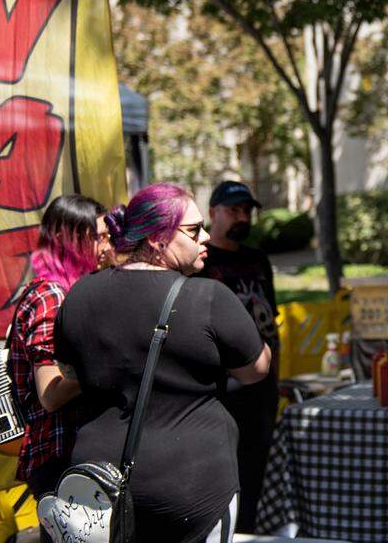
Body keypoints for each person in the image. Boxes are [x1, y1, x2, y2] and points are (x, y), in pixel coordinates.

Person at [54, 183, 272, 543]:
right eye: (192, 230)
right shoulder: (209, 297)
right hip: (192, 485)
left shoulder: (79, 294)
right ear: (157, 239)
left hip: (98, 486)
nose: (204, 238)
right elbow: (256, 369)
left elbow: (70, 373)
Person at [6, 194, 110, 543]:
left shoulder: (72, 290)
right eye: (99, 236)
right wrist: (109, 359)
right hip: (57, 457)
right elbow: (50, 393)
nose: (107, 245)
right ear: (72, 238)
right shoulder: (51, 295)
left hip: (72, 457)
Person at [196, 180, 279, 533]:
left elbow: (271, 324)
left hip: (262, 389)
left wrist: (276, 378)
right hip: (221, 392)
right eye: (234, 210)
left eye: (246, 210)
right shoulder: (201, 261)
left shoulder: (258, 259)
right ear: (212, 212)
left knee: (258, 471)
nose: (242, 217)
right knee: (225, 476)